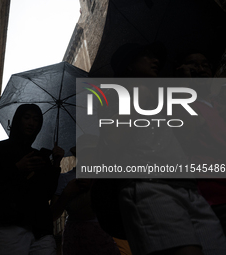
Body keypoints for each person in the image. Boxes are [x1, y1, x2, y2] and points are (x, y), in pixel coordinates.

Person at [92, 43, 226, 255]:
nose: (155, 61)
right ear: (128, 65)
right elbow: (113, 143)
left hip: (188, 188)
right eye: (146, 56)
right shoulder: (119, 95)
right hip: (150, 186)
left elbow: (189, 136)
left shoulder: (162, 98)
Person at [0, 104, 64, 255]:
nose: (31, 123)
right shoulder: (0, 149)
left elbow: (48, 193)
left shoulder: (38, 156)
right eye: (27, 117)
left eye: (36, 119)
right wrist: (17, 168)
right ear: (18, 120)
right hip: (9, 226)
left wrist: (56, 164)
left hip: (41, 231)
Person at [174, 50, 226, 236]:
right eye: (193, 64)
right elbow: (185, 139)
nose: (201, 68)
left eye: (205, 64)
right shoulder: (179, 104)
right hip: (214, 196)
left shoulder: (219, 104)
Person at [50, 135, 122, 255]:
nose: (90, 157)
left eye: (93, 153)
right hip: (75, 235)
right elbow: (53, 215)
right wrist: (68, 192)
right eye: (87, 152)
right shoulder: (65, 179)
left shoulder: (105, 177)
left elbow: (114, 208)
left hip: (102, 233)